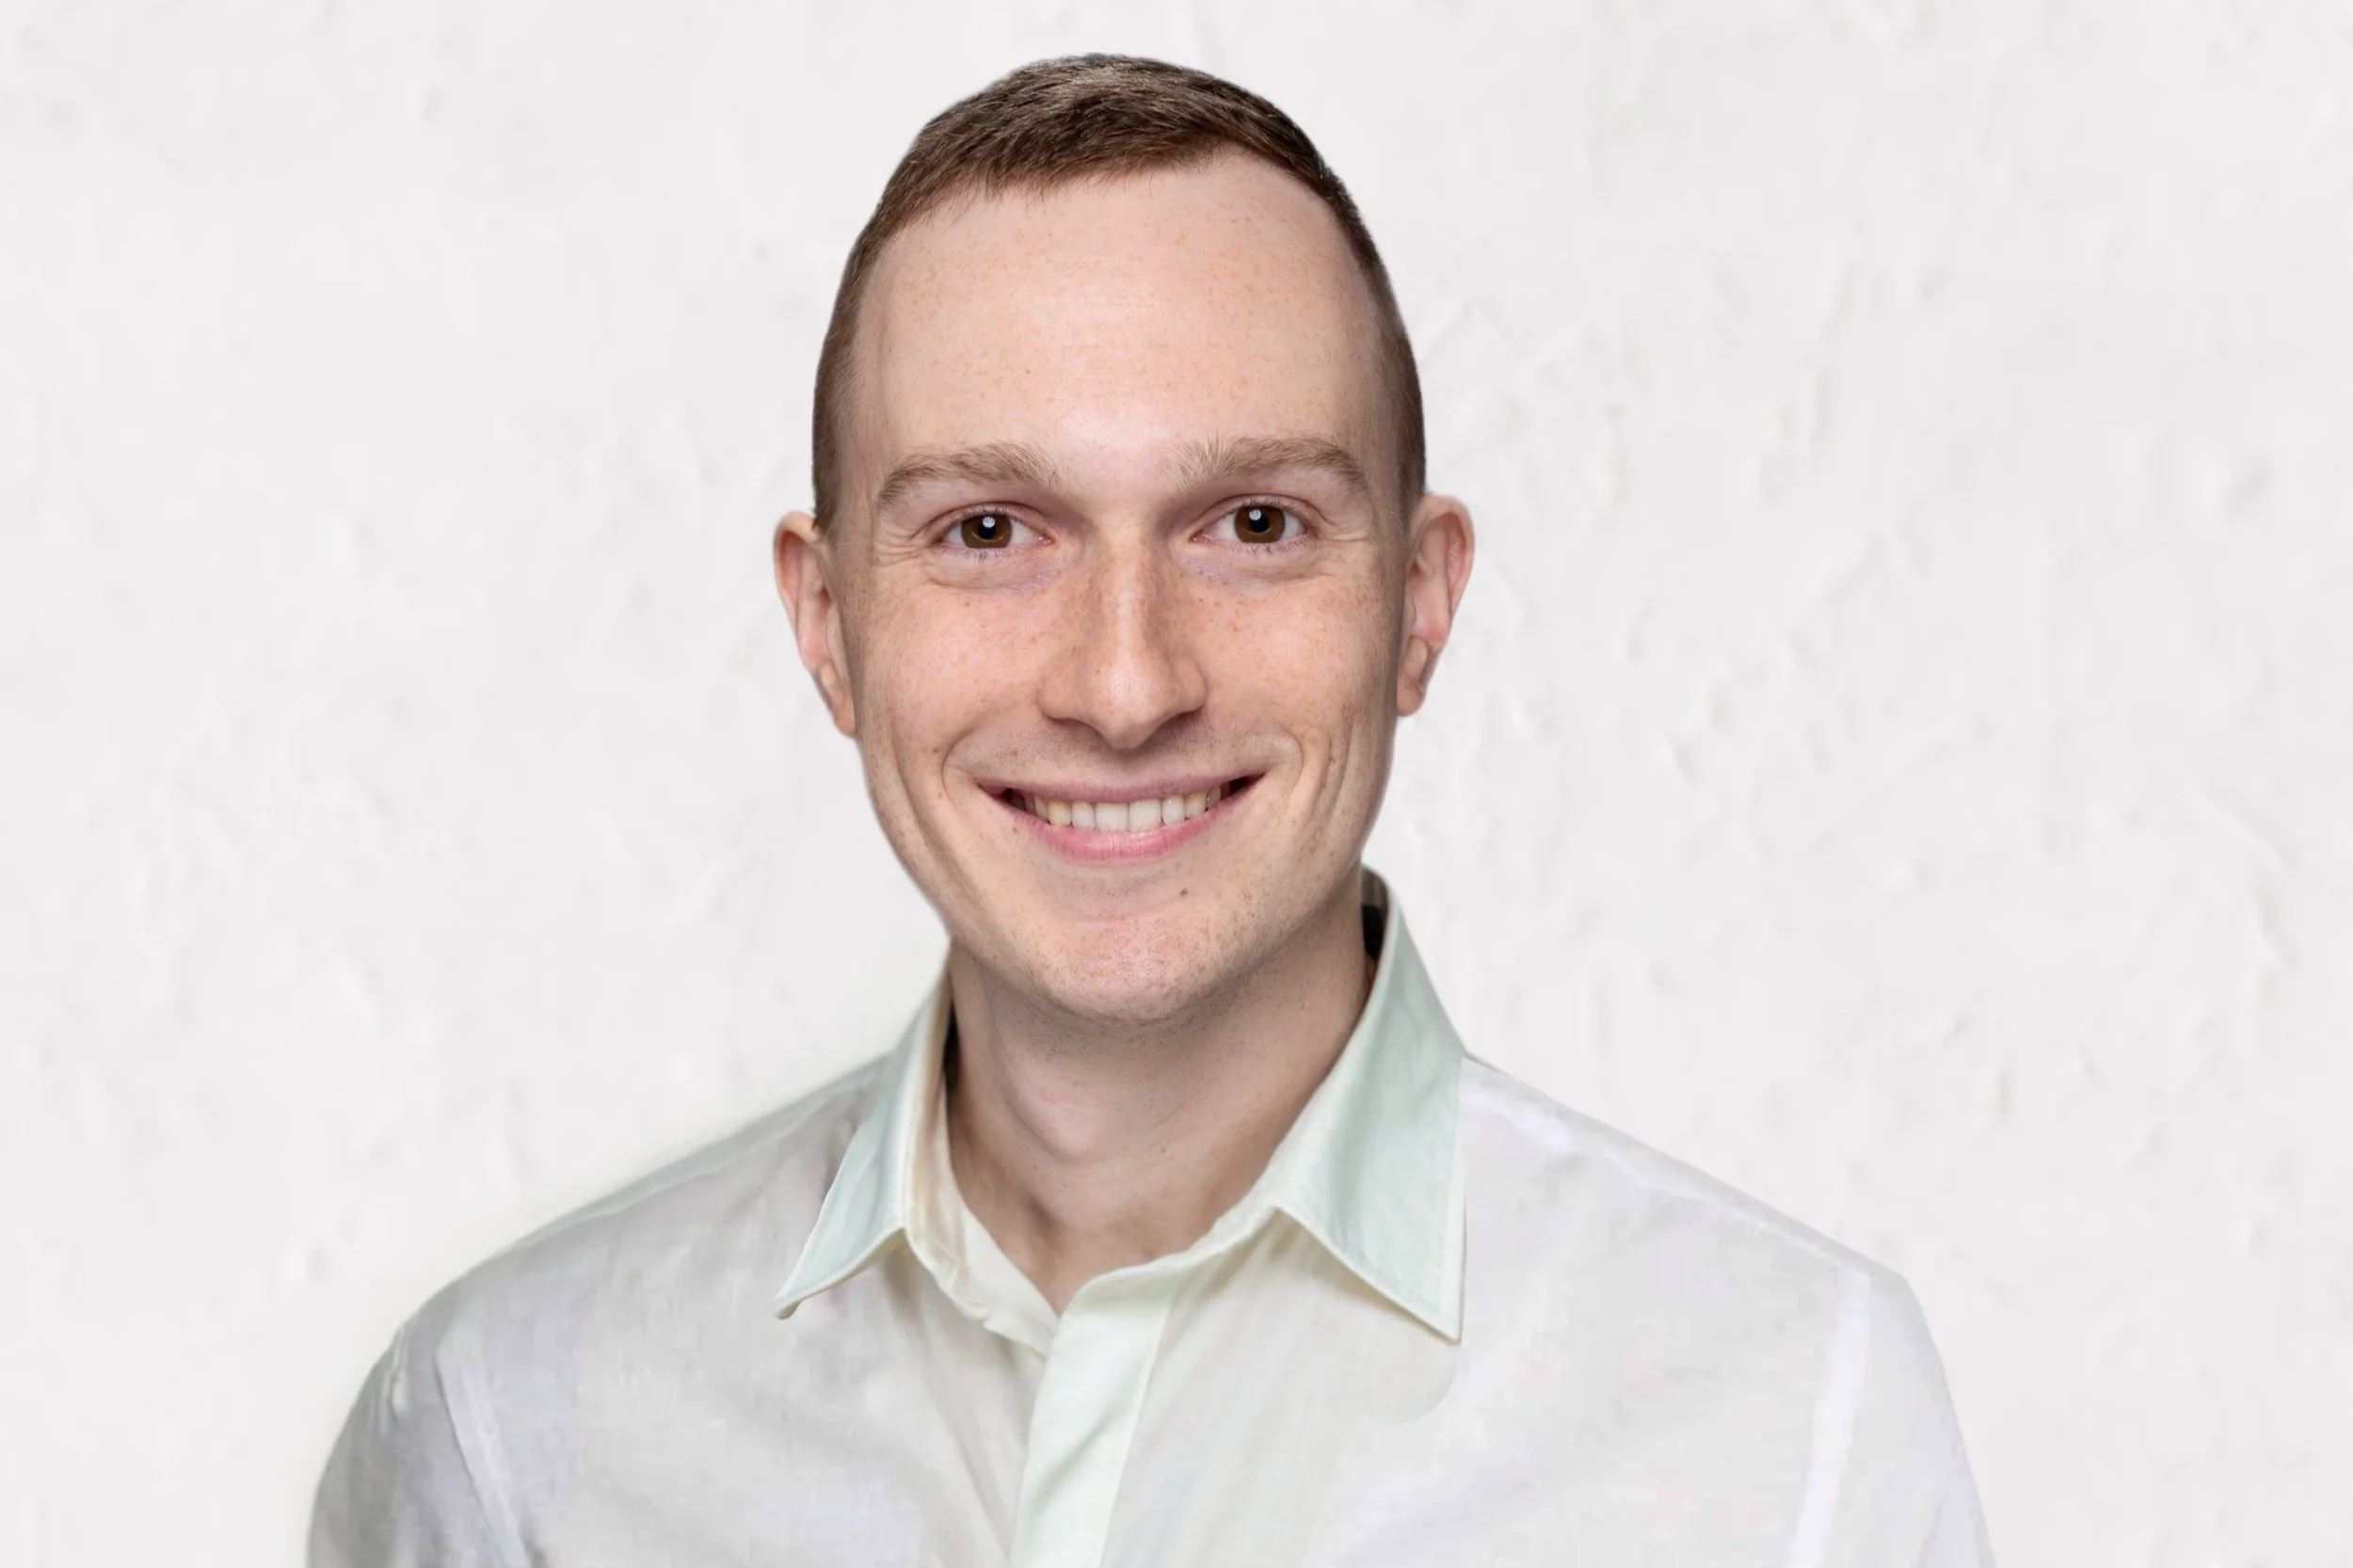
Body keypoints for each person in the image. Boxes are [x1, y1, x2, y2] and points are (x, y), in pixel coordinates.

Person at [312, 54, 1991, 1567]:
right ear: (828, 625)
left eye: (1253, 524)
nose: (1125, 686)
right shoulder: (509, 1433)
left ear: (1419, 604)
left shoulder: (1790, 1421)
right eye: (989, 531)